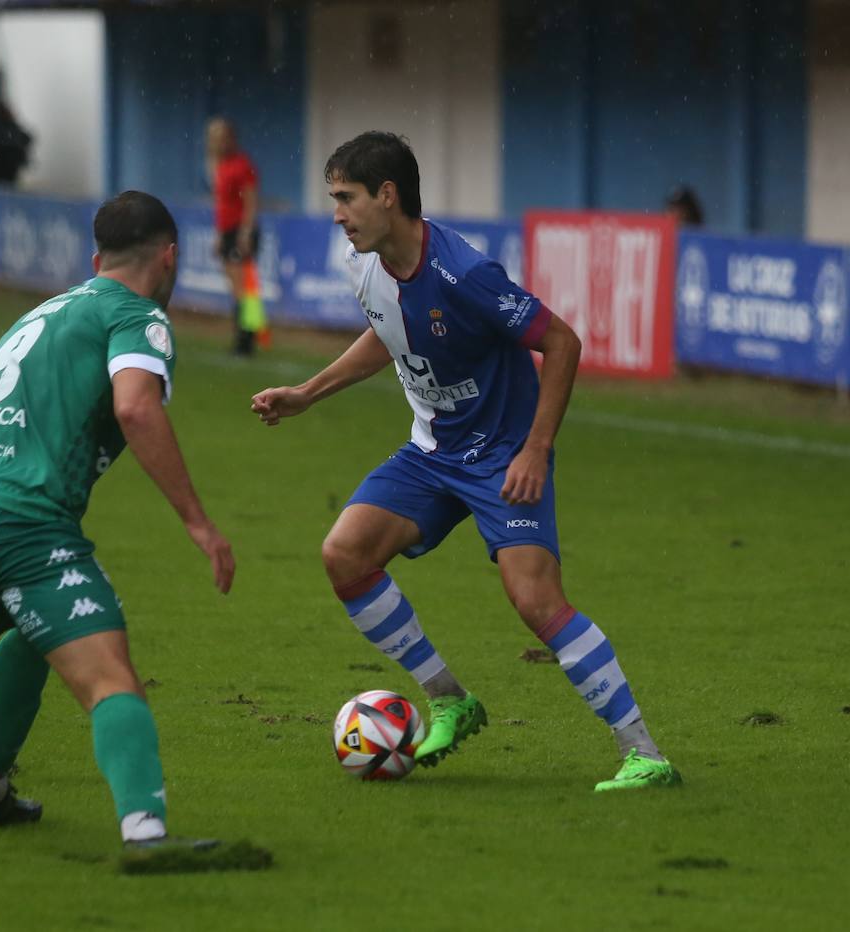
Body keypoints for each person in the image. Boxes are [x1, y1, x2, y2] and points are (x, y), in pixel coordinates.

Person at [250, 132, 681, 792]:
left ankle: (644, 754)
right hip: (433, 451)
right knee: (345, 555)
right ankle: (450, 698)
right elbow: (391, 335)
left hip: (504, 455)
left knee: (535, 601)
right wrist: (309, 394)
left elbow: (562, 341)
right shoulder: (360, 263)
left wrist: (536, 449)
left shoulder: (466, 274)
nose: (337, 213)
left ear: (387, 197)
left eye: (346, 198)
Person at [0, 191, 264, 867]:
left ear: (96, 258)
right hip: (15, 524)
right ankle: (147, 837)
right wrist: (199, 523)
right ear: (169, 258)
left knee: (31, 628)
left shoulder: (40, 315)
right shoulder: (139, 316)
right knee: (109, 675)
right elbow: (135, 409)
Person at [206, 117, 267, 355]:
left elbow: (250, 201)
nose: (217, 143)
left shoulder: (242, 165)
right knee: (239, 287)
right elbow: (220, 203)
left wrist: (245, 232)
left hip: (240, 230)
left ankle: (246, 340)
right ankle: (246, 336)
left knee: (244, 287)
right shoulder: (219, 166)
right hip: (228, 231)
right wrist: (219, 233)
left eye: (220, 138)